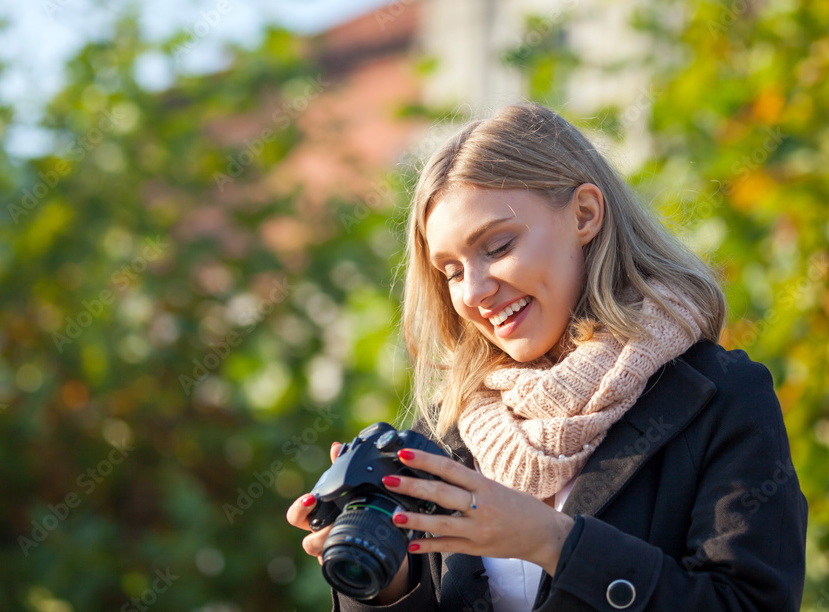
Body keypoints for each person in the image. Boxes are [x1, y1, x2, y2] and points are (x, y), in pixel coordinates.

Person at [286, 103, 808, 610]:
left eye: (497, 246)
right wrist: (391, 586)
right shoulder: (450, 433)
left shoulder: (722, 397)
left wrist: (553, 542)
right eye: (451, 271)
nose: (475, 291)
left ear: (585, 214)